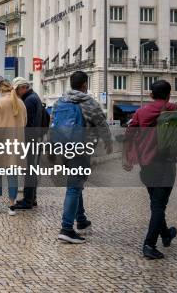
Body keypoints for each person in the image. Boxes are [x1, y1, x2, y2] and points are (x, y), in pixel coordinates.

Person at [124, 80, 177, 259]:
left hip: (146, 164)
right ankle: (149, 244)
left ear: (151, 95)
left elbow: (129, 134)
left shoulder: (141, 112)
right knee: (158, 205)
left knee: (156, 203)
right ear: (169, 94)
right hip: (166, 164)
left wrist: (127, 158)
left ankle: (166, 235)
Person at [55, 71, 112, 244]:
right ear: (85, 84)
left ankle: (81, 219)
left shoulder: (60, 101)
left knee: (75, 183)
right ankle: (66, 228)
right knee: (74, 186)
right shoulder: (89, 102)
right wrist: (108, 143)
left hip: (63, 148)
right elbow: (102, 123)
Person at [0, 79, 27, 214]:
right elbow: (24, 123)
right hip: (16, 143)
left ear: (0, 89)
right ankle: (12, 206)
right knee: (12, 175)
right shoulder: (21, 103)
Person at [10, 77, 45, 210]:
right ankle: (31, 198)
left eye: (17, 90)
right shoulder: (34, 96)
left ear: (23, 87)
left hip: (30, 140)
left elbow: (26, 124)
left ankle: (28, 201)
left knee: (29, 171)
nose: (16, 93)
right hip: (36, 139)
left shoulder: (29, 101)